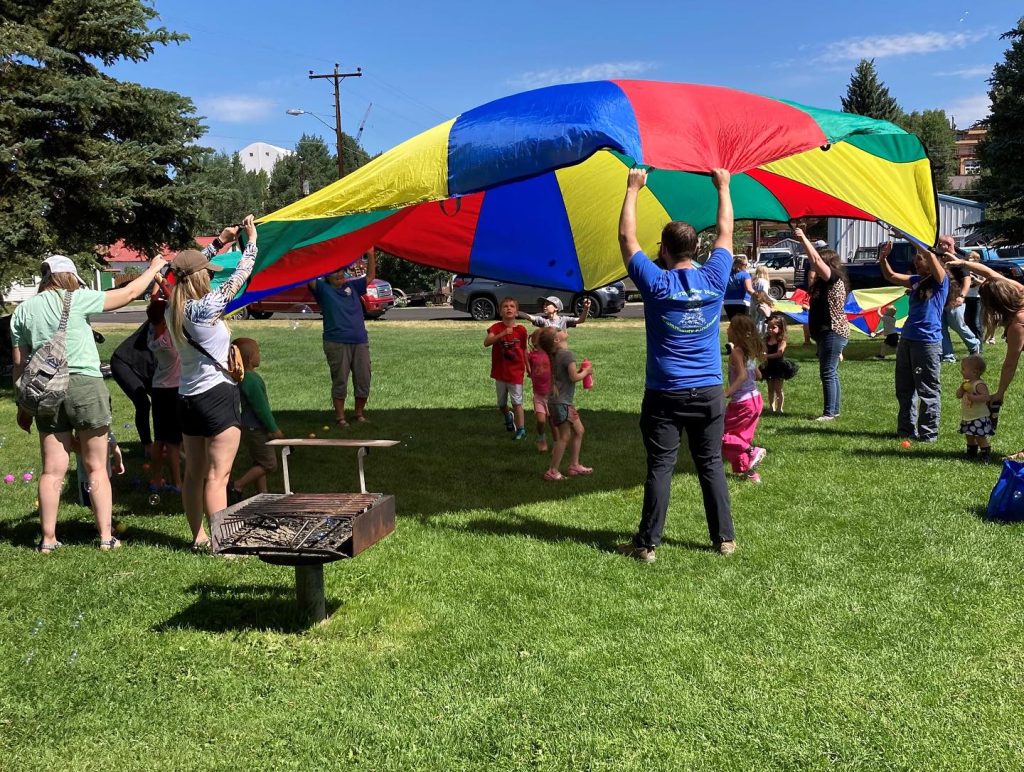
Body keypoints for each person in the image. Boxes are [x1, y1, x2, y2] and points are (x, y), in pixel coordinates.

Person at [616, 167, 736, 562]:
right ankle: (724, 540)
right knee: (710, 465)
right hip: (709, 391)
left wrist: (633, 188)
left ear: (664, 250)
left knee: (661, 467)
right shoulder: (715, 276)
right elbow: (726, 232)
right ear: (697, 249)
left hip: (665, 393)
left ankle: (647, 545)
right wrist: (723, 187)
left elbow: (627, 239)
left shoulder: (656, 282)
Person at [11, 253, 167, 552]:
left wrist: (23, 406)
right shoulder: (77, 298)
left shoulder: (23, 311)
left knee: (52, 470)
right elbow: (129, 293)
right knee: (96, 466)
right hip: (84, 385)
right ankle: (106, 536)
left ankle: (48, 539)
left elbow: (20, 366)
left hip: (44, 390)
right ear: (70, 277)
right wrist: (154, 269)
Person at [168, 216, 257, 551]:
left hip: (187, 397)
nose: (210, 274)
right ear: (199, 277)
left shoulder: (173, 307)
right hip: (217, 395)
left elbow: (180, 270)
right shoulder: (206, 307)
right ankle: (223, 543)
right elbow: (240, 275)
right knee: (218, 476)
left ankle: (198, 537)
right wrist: (251, 241)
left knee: (194, 474)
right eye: (206, 271)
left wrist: (220, 241)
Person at [944, 255, 1024, 451]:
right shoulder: (1019, 291)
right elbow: (989, 273)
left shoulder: (1017, 325)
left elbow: (1010, 364)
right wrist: (962, 263)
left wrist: (1000, 393)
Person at [880, 239, 949, 442]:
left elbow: (929, 255)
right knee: (904, 388)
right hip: (907, 339)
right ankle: (906, 430)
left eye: (920, 258)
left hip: (927, 342)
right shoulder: (916, 280)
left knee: (927, 389)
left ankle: (928, 434)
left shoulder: (941, 281)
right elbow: (891, 276)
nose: (916, 261)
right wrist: (883, 258)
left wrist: (909, 236)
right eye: (915, 258)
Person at [308, 249, 375, 427]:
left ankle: (359, 414)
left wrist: (370, 254)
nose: (339, 274)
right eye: (334, 272)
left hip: (360, 341)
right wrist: (314, 253)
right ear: (326, 276)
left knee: (364, 378)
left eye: (341, 271)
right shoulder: (322, 289)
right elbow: (309, 276)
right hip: (336, 342)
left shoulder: (353, 286)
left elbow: (370, 277)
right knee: (340, 380)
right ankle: (340, 418)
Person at [795, 227, 850, 421]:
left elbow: (816, 261)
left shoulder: (833, 278)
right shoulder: (824, 283)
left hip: (833, 331)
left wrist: (803, 239)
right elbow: (815, 265)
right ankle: (834, 410)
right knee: (831, 372)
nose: (815, 266)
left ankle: (829, 413)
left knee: (827, 372)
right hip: (828, 333)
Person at [229, 337, 284, 499]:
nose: (260, 355)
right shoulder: (251, 380)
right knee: (269, 464)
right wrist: (274, 429)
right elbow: (262, 409)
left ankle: (263, 494)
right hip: (257, 428)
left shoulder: (243, 377)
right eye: (258, 352)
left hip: (248, 427)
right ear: (250, 358)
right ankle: (237, 485)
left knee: (259, 461)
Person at [537, 327, 593, 480]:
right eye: (559, 330)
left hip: (559, 402)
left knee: (579, 430)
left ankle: (574, 465)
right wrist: (586, 372)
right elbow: (574, 377)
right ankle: (552, 471)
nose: (562, 329)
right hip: (562, 403)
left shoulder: (555, 355)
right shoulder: (567, 355)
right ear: (557, 339)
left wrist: (580, 371)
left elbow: (567, 376)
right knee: (564, 436)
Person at [722, 315, 767, 483]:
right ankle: (749, 473)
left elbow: (741, 376)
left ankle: (752, 451)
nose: (727, 330)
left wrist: (727, 392)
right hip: (756, 399)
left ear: (737, 332)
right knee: (741, 436)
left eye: (730, 327)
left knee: (722, 435)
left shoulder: (737, 352)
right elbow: (758, 375)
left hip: (742, 403)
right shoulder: (749, 352)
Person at [146, 297, 182, 492]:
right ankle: (177, 482)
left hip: (158, 389)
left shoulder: (152, 336)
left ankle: (156, 479)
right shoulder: (170, 339)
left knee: (159, 439)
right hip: (173, 390)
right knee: (173, 442)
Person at [109, 315, 156, 454]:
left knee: (164, 402)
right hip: (123, 362)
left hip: (146, 366)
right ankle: (148, 445)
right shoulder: (163, 314)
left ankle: (167, 442)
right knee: (143, 403)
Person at [484, 297, 529, 440]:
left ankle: (521, 429)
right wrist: (502, 334)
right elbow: (487, 342)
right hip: (500, 372)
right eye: (505, 306)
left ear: (516, 312)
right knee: (502, 403)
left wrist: (528, 367)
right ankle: (508, 416)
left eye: (512, 306)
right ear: (500, 311)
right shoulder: (496, 328)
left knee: (517, 402)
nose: (508, 308)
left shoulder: (521, 330)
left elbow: (524, 350)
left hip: (516, 372)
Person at [940, 235, 981, 363]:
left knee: (957, 325)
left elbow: (967, 279)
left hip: (955, 298)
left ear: (948, 245)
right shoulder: (938, 259)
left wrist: (962, 296)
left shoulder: (958, 260)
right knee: (941, 328)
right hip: (941, 299)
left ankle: (974, 344)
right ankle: (947, 356)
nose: (938, 246)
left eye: (940, 244)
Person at [955, 354, 993, 462]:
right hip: (968, 416)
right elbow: (958, 395)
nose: (961, 371)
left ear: (974, 372)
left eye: (963, 369)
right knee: (969, 435)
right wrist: (961, 389)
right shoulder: (966, 384)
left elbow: (986, 397)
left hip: (978, 416)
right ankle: (971, 453)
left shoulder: (979, 384)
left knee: (979, 436)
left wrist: (973, 397)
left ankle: (985, 454)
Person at [74, 428, 124, 509]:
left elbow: (73, 447)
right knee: (103, 495)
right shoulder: (105, 431)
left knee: (90, 502)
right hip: (104, 475)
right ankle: (103, 511)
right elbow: (115, 447)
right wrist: (118, 463)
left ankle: (97, 512)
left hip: (86, 477)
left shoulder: (79, 435)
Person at [761, 313, 799, 414]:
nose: (770, 329)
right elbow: (764, 350)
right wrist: (763, 355)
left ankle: (779, 408)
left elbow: (779, 353)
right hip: (769, 366)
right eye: (769, 327)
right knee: (770, 388)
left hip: (778, 366)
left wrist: (767, 356)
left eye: (773, 327)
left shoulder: (781, 341)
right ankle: (771, 407)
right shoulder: (766, 340)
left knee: (778, 389)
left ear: (780, 328)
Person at [526, 329, 553, 452]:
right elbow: (524, 356)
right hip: (538, 396)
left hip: (551, 395)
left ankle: (557, 444)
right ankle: (541, 438)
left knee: (553, 422)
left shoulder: (551, 354)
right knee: (541, 421)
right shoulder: (532, 355)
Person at [520, 295, 590, 330]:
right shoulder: (543, 320)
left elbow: (581, 320)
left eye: (547, 304)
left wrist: (586, 308)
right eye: (544, 305)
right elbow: (529, 317)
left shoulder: (564, 320)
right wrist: (516, 312)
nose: (544, 306)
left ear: (556, 308)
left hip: (560, 351)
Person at [723, 255, 754, 321]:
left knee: (734, 323)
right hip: (742, 302)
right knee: (743, 324)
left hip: (728, 303)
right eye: (745, 264)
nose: (746, 266)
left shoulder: (727, 274)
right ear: (739, 264)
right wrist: (759, 296)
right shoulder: (745, 275)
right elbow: (749, 289)